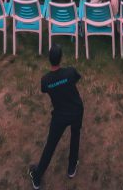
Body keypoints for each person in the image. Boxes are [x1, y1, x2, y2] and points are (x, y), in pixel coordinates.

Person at [29, 45, 84, 188]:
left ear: (49, 60)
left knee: (51, 145)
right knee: (75, 135)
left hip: (60, 115)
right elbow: (77, 78)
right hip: (76, 110)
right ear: (61, 58)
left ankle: (37, 175)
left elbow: (43, 90)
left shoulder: (45, 80)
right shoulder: (70, 72)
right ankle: (72, 168)